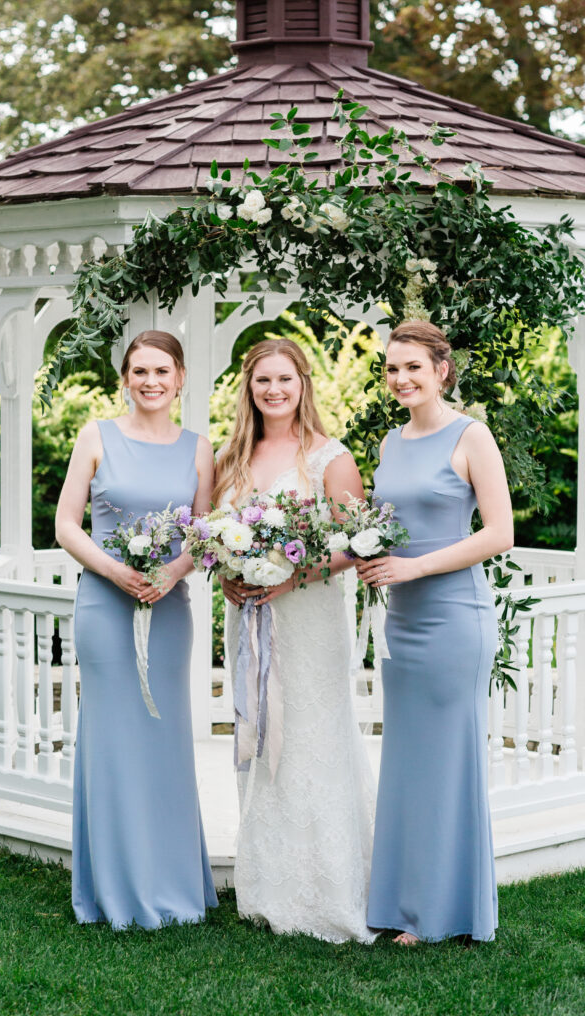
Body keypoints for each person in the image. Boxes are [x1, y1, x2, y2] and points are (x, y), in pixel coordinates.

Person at [215, 337, 377, 943]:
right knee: (259, 735)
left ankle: (333, 888)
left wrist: (291, 576)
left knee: (312, 738)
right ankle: (269, 886)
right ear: (249, 390)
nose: (274, 391)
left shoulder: (330, 457)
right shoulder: (235, 455)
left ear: (303, 383)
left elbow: (357, 543)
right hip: (251, 620)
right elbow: (217, 534)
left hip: (309, 621)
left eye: (284, 379)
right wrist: (230, 576)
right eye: (262, 382)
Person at [357, 319, 513, 945]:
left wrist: (415, 565)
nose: (401, 379)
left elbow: (499, 533)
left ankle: (447, 912)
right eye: (393, 369)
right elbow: (388, 521)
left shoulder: (472, 436)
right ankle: (404, 903)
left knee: (449, 764)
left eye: (413, 367)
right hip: (402, 621)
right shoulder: (392, 442)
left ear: (442, 370)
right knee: (408, 764)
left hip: (454, 619)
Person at [55, 329, 217, 929]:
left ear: (180, 379)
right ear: (125, 379)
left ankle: (173, 883)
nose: (150, 382)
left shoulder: (199, 448)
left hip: (168, 608)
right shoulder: (96, 435)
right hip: (104, 603)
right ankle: (113, 888)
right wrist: (116, 572)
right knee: (113, 740)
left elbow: (204, 535)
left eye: (162, 371)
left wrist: (173, 572)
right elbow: (67, 525)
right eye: (139, 371)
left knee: (163, 739)